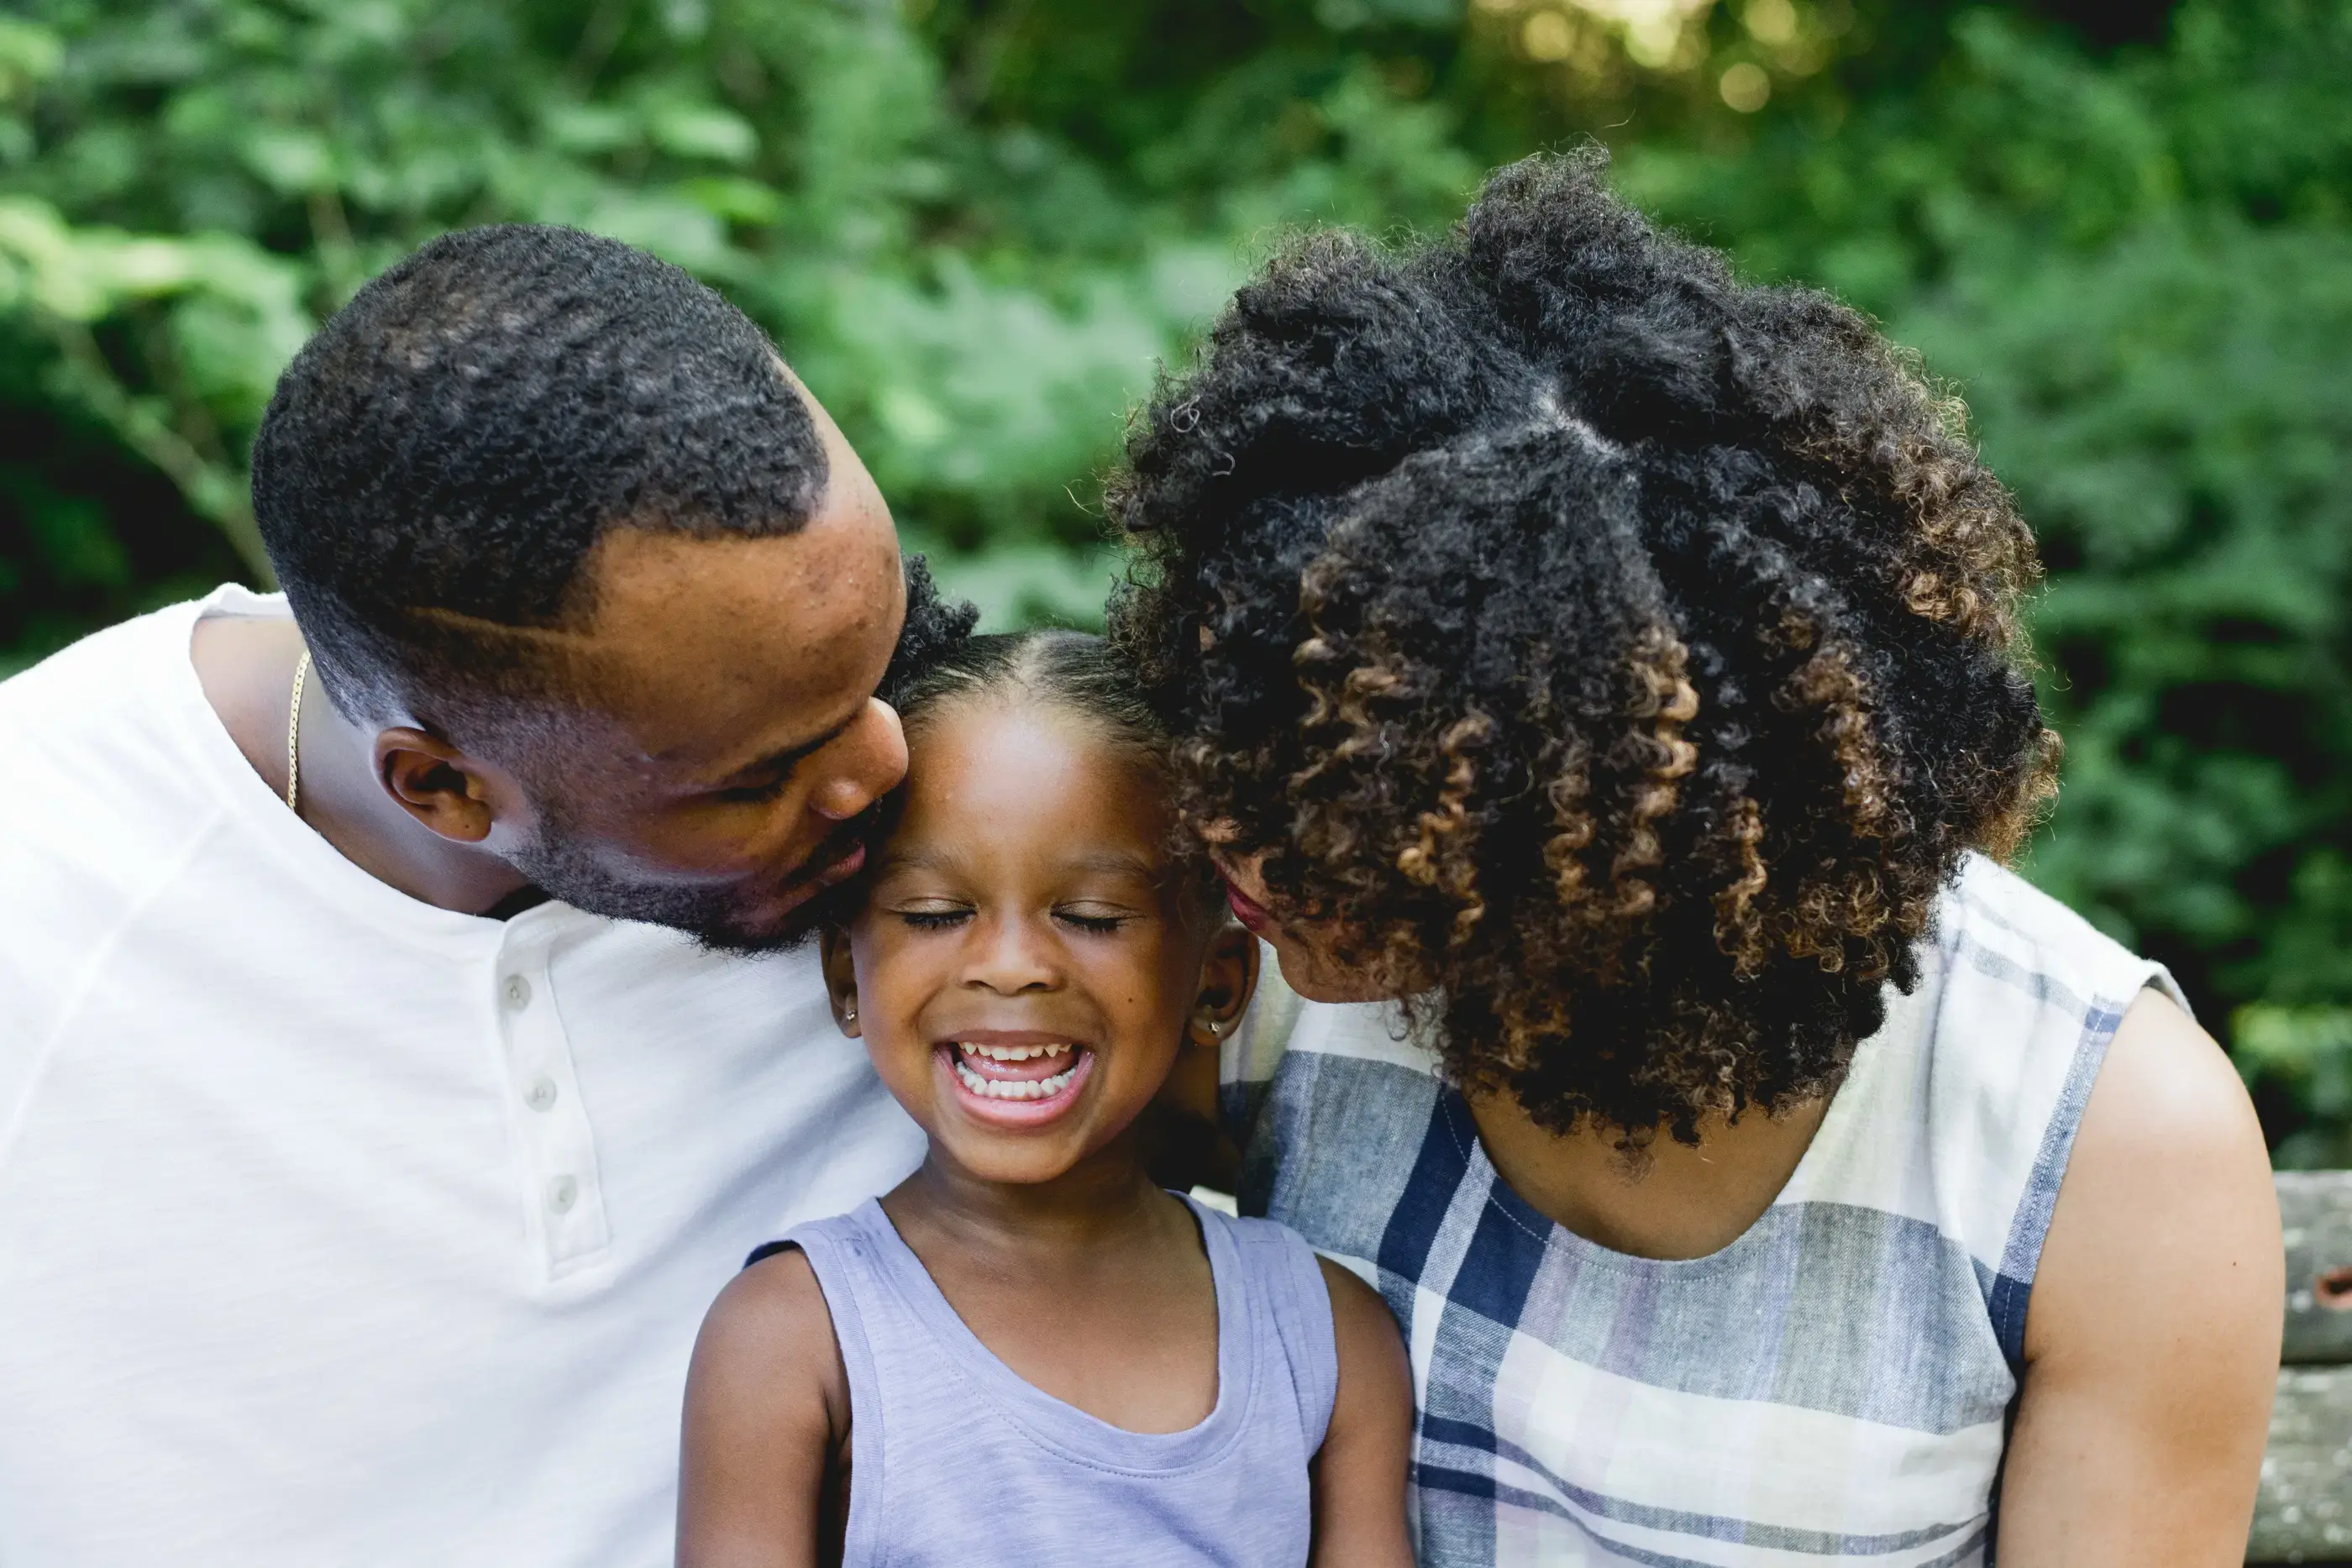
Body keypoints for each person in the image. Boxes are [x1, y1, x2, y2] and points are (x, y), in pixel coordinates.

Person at [1108, 151, 2281, 1565]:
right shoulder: (1258, 970)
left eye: (1376, 799)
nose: (1239, 828)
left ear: (1631, 846)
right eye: (1260, 729)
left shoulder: (2105, 1143)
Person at [0, 225, 973, 1565]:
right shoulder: (42, 898)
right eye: (767, 773)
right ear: (447, 789)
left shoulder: (986, 815)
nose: (885, 761)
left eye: (869, 667)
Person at [677, 631, 1415, 1568]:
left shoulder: (1328, 1340)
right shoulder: (789, 1341)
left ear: (1218, 986)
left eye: (1093, 917)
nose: (1013, 966)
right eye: (936, 914)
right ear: (843, 974)